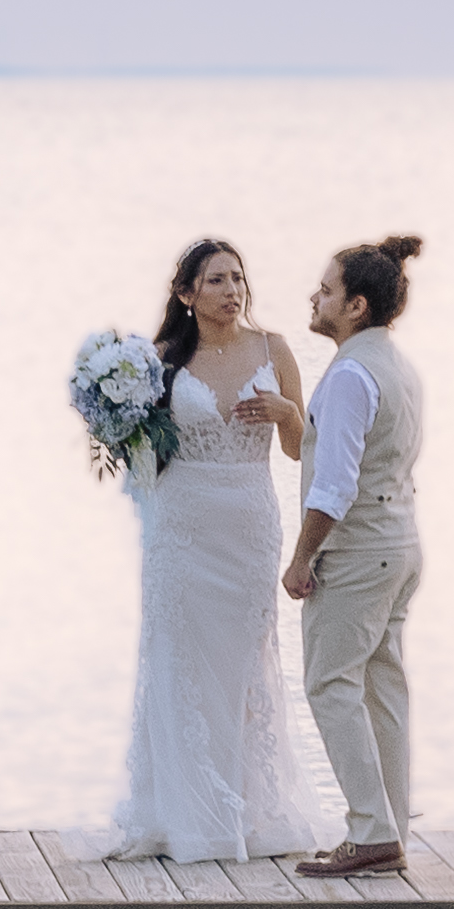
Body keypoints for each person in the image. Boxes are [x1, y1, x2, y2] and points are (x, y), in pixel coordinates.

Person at [92, 236, 320, 864]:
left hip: (248, 526)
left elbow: (302, 448)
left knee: (244, 666)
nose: (232, 291)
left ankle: (243, 809)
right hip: (182, 528)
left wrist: (284, 414)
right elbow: (138, 448)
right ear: (187, 293)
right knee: (180, 659)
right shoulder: (162, 359)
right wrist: (112, 417)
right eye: (216, 281)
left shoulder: (272, 349)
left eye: (238, 279)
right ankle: (183, 812)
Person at [282, 233, 427, 877]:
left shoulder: (349, 376)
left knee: (330, 683)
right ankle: (388, 827)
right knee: (381, 686)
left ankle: (371, 830)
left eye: (328, 290)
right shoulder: (398, 366)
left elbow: (334, 486)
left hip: (359, 551)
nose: (315, 297)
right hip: (400, 545)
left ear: (356, 306)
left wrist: (302, 558)